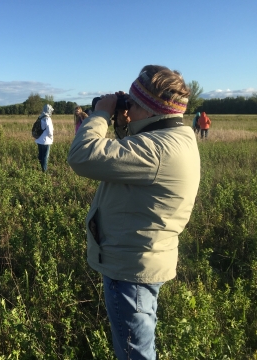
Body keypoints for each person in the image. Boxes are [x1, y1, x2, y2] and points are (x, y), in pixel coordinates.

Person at [68, 65, 200, 360]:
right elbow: (130, 157)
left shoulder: (158, 150)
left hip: (131, 270)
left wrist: (101, 113)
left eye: (131, 102)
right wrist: (124, 126)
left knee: (134, 354)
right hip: (141, 259)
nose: (126, 106)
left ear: (149, 109)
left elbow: (82, 156)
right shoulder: (177, 137)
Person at [35, 104, 54, 172]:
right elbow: (50, 131)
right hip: (46, 140)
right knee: (45, 156)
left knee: (41, 155)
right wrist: (51, 137)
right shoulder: (48, 119)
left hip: (39, 139)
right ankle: (44, 170)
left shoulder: (40, 117)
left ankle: (40, 167)